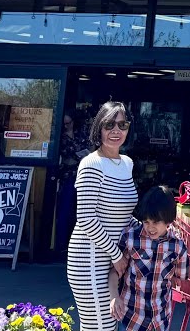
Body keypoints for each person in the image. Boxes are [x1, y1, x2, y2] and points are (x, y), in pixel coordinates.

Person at [68, 101, 139, 331]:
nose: (116, 131)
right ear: (99, 127)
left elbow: (123, 215)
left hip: (112, 260)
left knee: (108, 325)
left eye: (122, 124)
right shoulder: (91, 163)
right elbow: (86, 218)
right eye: (109, 124)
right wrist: (117, 255)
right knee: (100, 325)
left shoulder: (127, 163)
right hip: (88, 258)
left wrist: (152, 228)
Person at [110, 186, 190, 331]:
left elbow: (180, 279)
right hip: (130, 319)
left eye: (156, 222)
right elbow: (115, 272)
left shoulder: (178, 246)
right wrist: (114, 296)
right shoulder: (130, 238)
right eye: (146, 222)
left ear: (168, 220)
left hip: (160, 320)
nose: (150, 227)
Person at [54, 112, 83, 257]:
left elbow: (88, 151)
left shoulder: (80, 134)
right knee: (65, 210)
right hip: (68, 177)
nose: (66, 126)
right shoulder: (60, 137)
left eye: (68, 123)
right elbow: (66, 157)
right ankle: (61, 245)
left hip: (82, 177)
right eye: (64, 124)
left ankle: (77, 246)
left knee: (81, 213)